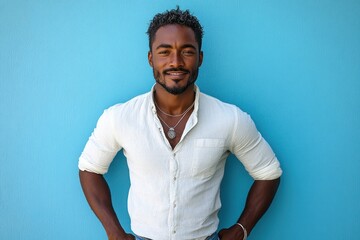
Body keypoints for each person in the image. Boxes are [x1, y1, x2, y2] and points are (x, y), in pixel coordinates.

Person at [79, 7, 282, 240]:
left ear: (200, 58)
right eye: (164, 52)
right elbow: (89, 168)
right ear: (150, 58)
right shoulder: (120, 117)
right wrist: (113, 231)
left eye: (187, 51)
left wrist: (242, 229)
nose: (176, 62)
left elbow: (269, 171)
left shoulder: (230, 118)